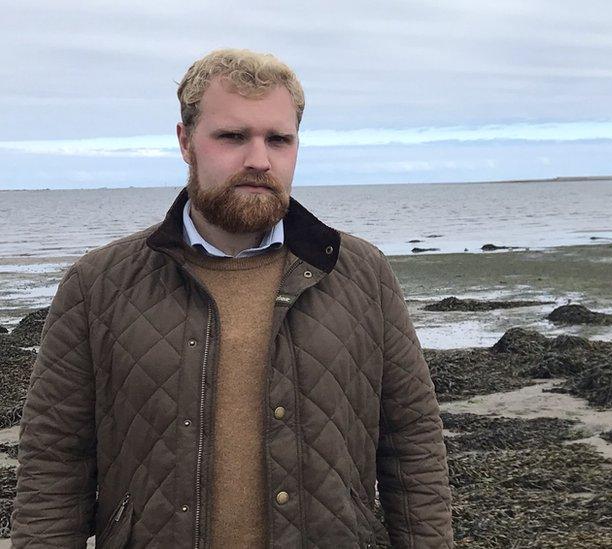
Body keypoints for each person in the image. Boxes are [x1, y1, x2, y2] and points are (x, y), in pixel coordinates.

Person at [11, 48, 453, 548]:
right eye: (232, 136)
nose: (259, 160)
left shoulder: (360, 273)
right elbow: (54, 459)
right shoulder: (98, 284)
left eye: (279, 140)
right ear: (185, 141)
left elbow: (412, 440)